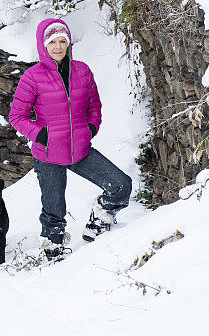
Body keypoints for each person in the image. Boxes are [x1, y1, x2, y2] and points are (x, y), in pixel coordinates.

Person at [9, 18, 132, 260]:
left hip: (80, 149)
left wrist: (90, 127)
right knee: (54, 211)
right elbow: (17, 116)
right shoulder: (32, 76)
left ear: (68, 43)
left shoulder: (82, 71)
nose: (57, 46)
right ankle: (53, 252)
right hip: (48, 154)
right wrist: (40, 134)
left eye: (62, 41)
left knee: (121, 185)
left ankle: (99, 221)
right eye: (52, 42)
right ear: (43, 45)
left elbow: (94, 105)